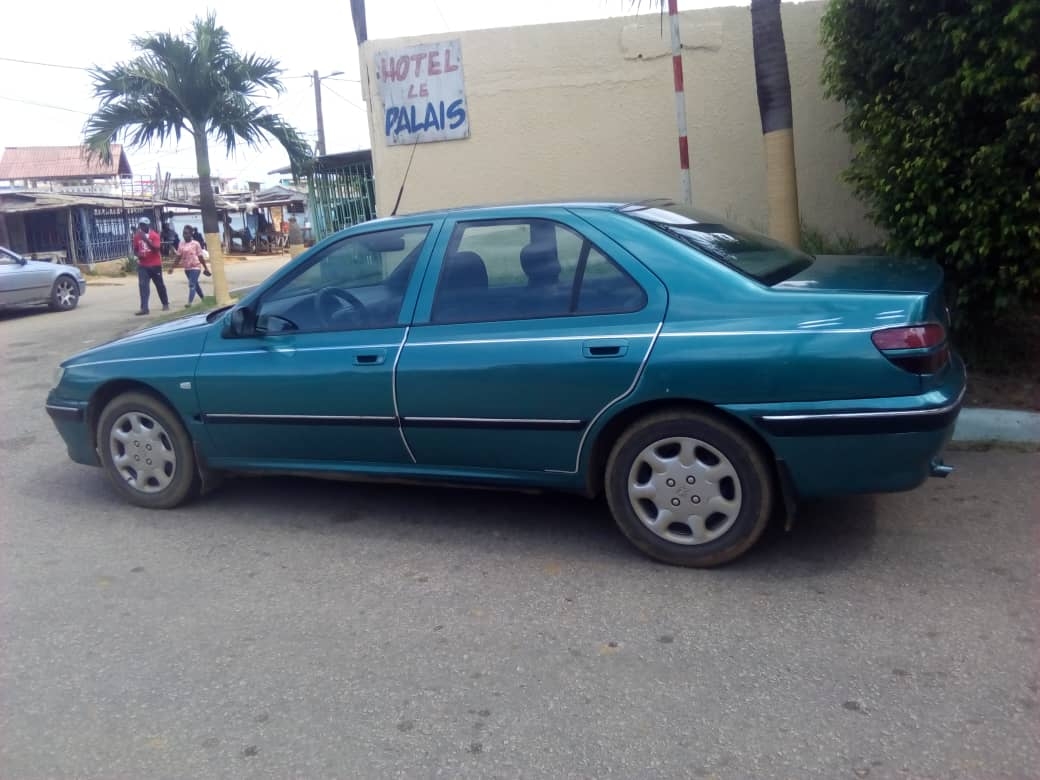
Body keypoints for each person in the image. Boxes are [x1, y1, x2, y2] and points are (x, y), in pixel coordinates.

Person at [133, 217, 169, 315]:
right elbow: (135, 249)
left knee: (159, 285)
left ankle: (165, 303)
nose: (142, 227)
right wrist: (137, 254)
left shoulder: (154, 235)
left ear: (148, 225)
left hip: (155, 265)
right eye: (140, 225)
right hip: (143, 265)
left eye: (144, 225)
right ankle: (144, 308)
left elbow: (156, 249)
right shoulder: (137, 236)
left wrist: (146, 240)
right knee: (143, 286)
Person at [172, 225, 210, 306]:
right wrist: (172, 267)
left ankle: (189, 303)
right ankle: (203, 298)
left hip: (196, 267)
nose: (184, 235)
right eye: (183, 233)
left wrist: (205, 268)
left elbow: (200, 256)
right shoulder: (181, 244)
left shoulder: (196, 244)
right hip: (187, 268)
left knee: (191, 284)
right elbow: (178, 256)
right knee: (195, 284)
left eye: (186, 233)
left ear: (191, 234)